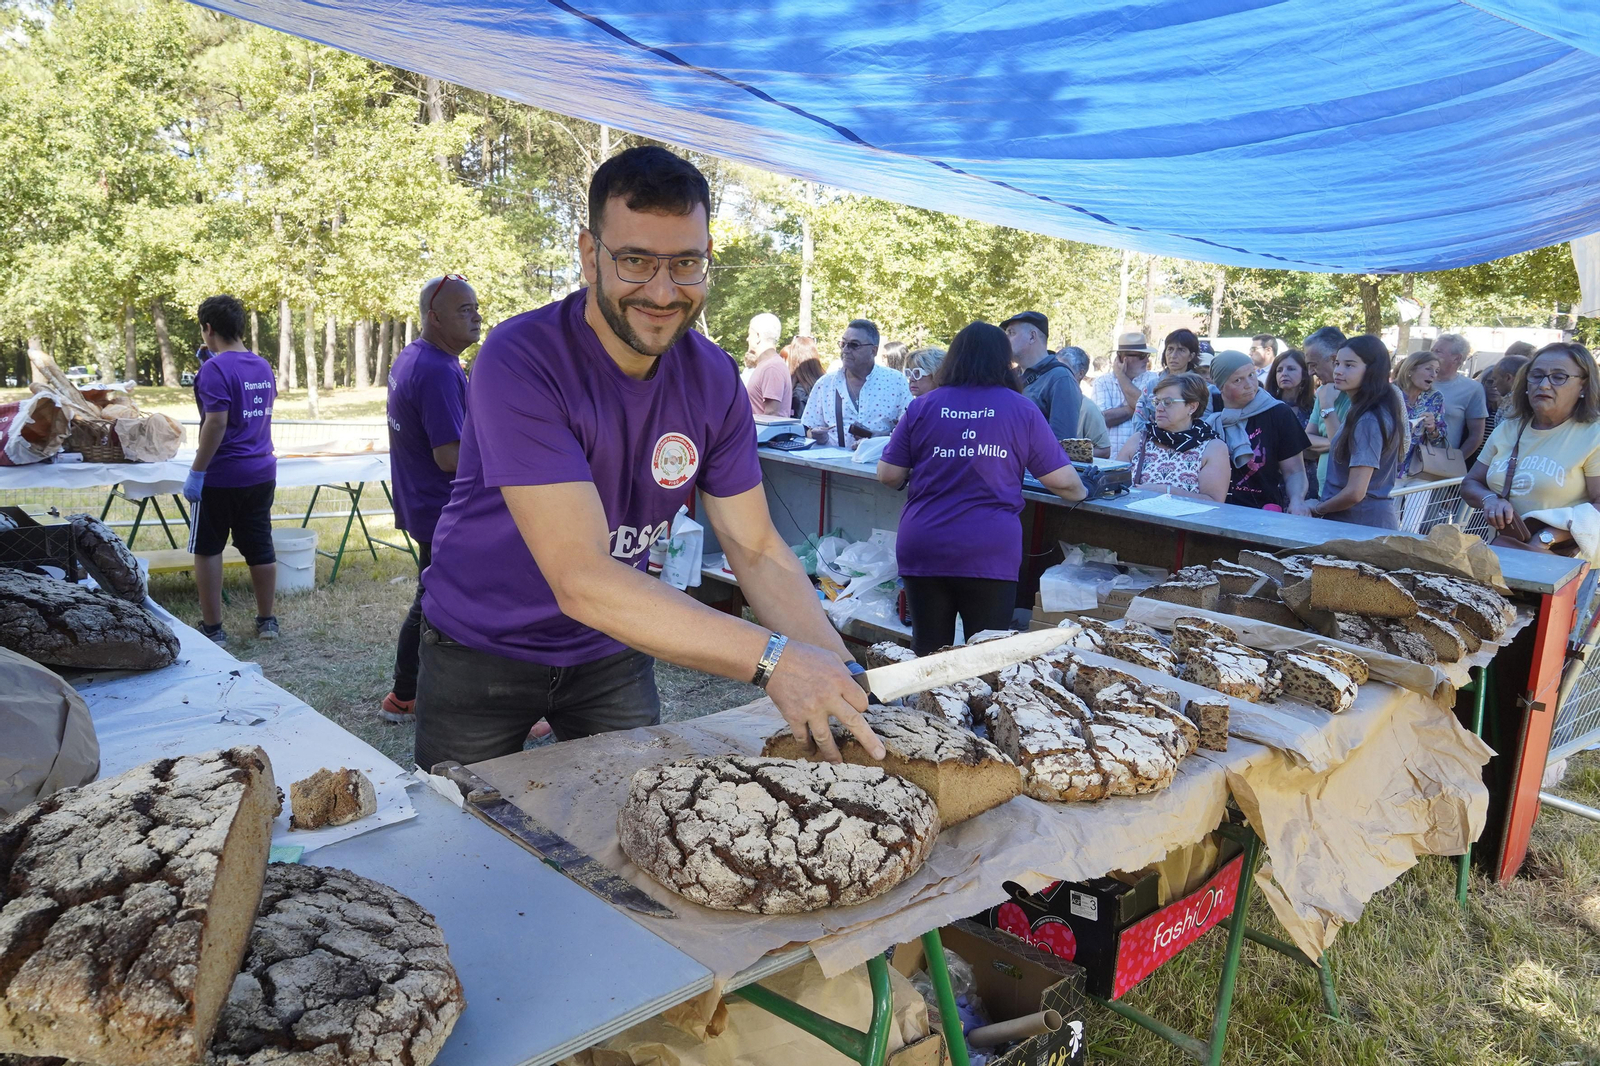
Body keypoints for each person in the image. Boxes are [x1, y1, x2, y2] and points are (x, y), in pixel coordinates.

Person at [414, 146, 886, 769]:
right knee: (459, 821)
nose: (663, 292)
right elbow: (581, 579)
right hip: (481, 644)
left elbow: (755, 549)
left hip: (613, 645)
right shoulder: (521, 358)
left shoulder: (713, 377)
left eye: (685, 263)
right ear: (591, 256)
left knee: (626, 817)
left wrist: (846, 672)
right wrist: (774, 660)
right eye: (635, 260)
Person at [877, 321, 1086, 654]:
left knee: (928, 654)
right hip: (989, 550)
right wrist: (1083, 492)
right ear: (1005, 361)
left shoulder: (923, 405)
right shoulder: (1021, 408)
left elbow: (888, 474)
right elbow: (1063, 482)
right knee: (986, 657)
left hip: (925, 543)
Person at [379, 275, 478, 724]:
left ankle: (406, 694)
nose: (476, 317)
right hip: (445, 507)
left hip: (424, 503)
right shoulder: (438, 370)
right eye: (464, 310)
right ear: (434, 317)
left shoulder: (415, 356)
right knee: (445, 601)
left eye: (476, 308)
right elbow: (449, 456)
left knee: (435, 596)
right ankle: (409, 694)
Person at [182, 294, 278, 644]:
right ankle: (267, 621)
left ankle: (213, 629)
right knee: (260, 546)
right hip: (261, 471)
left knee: (208, 548)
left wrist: (197, 471)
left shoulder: (213, 369)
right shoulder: (262, 365)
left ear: (208, 329)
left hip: (222, 474)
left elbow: (217, 422)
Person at [1462, 342, 1600, 556]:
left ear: (1583, 386)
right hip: (1508, 554)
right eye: (1536, 375)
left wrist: (1547, 537)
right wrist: (1489, 499)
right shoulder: (1508, 428)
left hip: (1567, 562)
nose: (1544, 385)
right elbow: (1470, 483)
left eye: (1558, 377)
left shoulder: (1594, 434)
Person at [1310, 335, 1404, 528]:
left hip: (1361, 526)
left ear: (1372, 370)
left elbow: (1355, 492)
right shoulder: (1363, 410)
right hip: (1354, 524)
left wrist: (1318, 509)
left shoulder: (1369, 418)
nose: (1338, 371)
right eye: (1337, 363)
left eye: (1349, 365)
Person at [1203, 350, 1311, 512]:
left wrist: (1297, 500)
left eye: (1251, 375)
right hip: (1211, 510)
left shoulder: (1278, 412)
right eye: (1238, 380)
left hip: (1262, 511)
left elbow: (1294, 471)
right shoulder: (1206, 412)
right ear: (1221, 386)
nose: (1249, 384)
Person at [1116, 372, 1229, 502]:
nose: (1159, 408)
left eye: (1167, 402)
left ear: (1192, 407)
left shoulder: (1212, 448)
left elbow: (1214, 502)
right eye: (1157, 402)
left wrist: (1167, 491)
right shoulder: (1139, 440)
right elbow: (1112, 487)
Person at [800, 318, 911, 448]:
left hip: (878, 459)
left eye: (854, 345)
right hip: (833, 460)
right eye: (843, 343)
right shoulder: (825, 384)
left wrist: (880, 437)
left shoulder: (896, 381)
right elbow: (809, 428)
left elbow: (910, 429)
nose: (845, 350)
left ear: (873, 351)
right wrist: (816, 436)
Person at [1001, 310, 1082, 441]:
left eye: (1011, 333)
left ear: (1032, 337)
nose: (1005, 340)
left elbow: (1062, 442)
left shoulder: (1060, 378)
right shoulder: (1009, 376)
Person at [1093, 332, 1161, 455]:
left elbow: (1152, 410)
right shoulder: (1102, 382)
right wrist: (1138, 405)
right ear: (1123, 358)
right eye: (1142, 356)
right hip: (1112, 458)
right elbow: (1103, 419)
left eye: (1147, 355)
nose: (1147, 360)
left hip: (1145, 456)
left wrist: (1121, 376)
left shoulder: (1153, 379)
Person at [1267, 348, 1319, 498]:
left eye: (1291, 369)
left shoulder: (1314, 407)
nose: (1284, 373)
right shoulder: (1267, 407)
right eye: (1279, 370)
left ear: (1304, 374)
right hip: (1272, 482)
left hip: (1307, 481)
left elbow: (1319, 450)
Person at [1302, 326, 1349, 486]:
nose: (1310, 372)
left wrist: (1328, 405)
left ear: (1334, 359)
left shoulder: (1362, 397)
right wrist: (1335, 443)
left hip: (1347, 495)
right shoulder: (1323, 392)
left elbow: (1346, 451)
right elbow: (1305, 442)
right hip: (1325, 491)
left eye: (1313, 365)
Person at [1431, 333, 1488, 460]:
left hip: (1440, 464)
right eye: (1432, 350)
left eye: (1438, 351)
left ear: (1457, 358)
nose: (1431, 355)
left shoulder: (1472, 389)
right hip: (1406, 462)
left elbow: (1476, 436)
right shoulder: (1416, 382)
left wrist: (1455, 462)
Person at [1393, 348, 1447, 480]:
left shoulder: (1435, 397)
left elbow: (1439, 439)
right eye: (1429, 369)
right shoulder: (1389, 392)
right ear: (1410, 370)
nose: (1433, 375)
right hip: (1385, 467)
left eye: (1437, 371)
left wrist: (1432, 428)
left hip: (1418, 470)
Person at [1058, 346, 1110, 457]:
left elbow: (1104, 450)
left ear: (1080, 374)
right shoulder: (1042, 400)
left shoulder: (1088, 408)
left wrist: (1069, 455)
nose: (1057, 374)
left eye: (1064, 370)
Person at [742, 312, 791, 417]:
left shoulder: (771, 367)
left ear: (758, 336)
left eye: (749, 334)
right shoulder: (768, 365)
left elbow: (771, 415)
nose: (747, 339)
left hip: (761, 428)